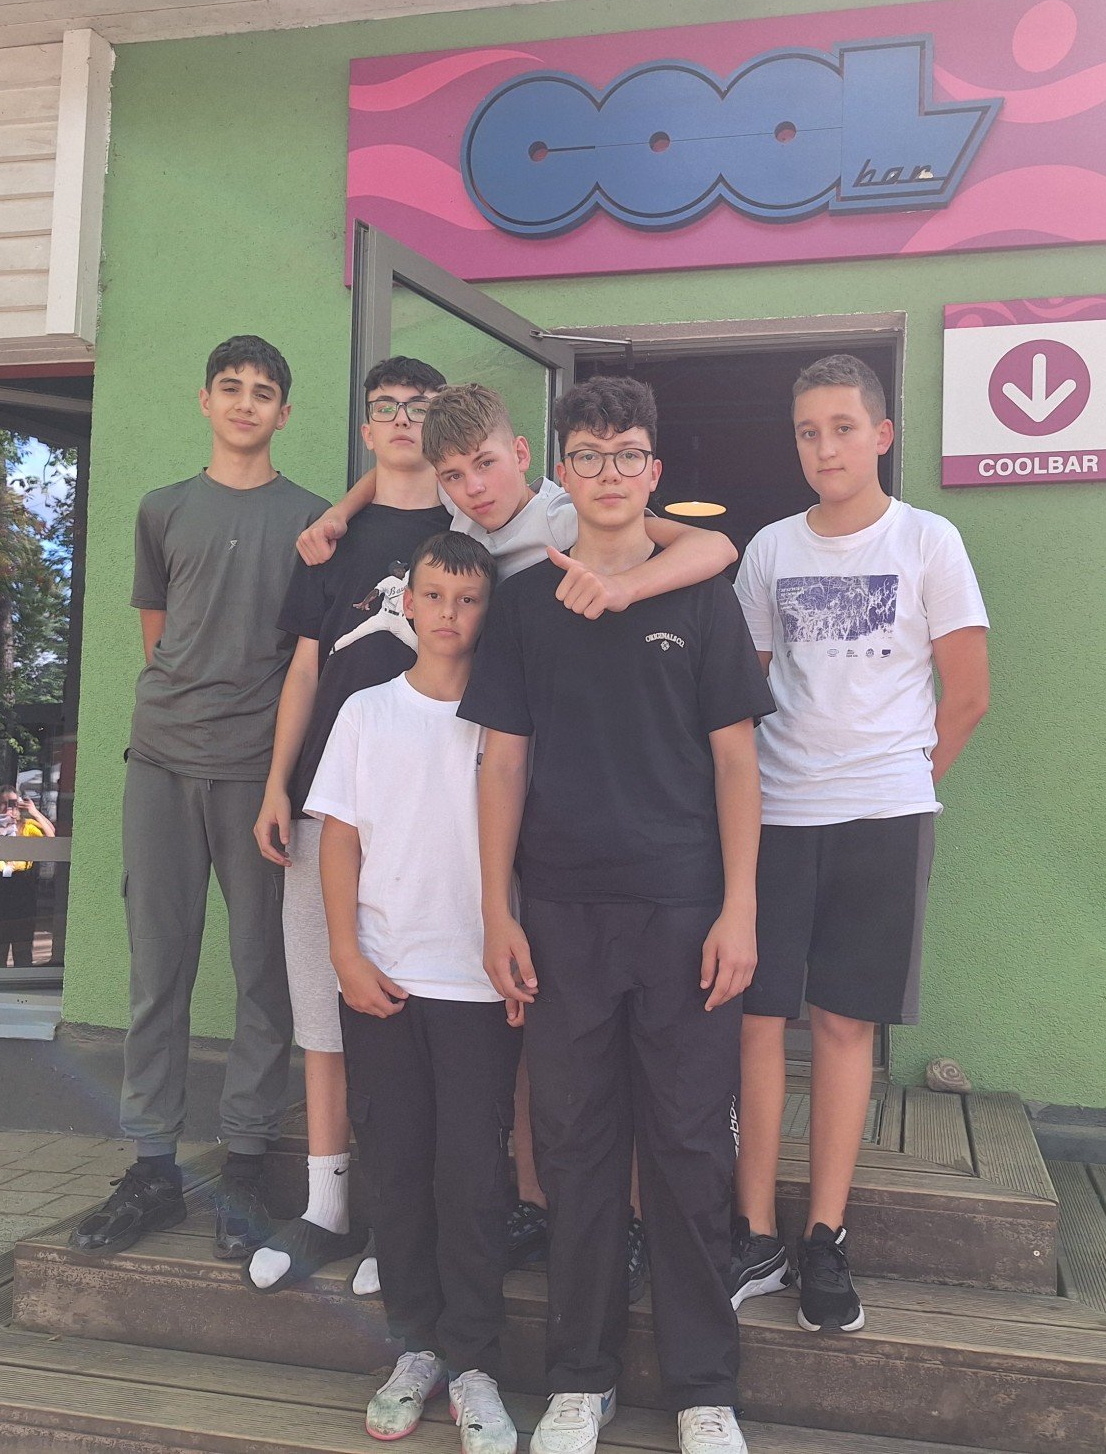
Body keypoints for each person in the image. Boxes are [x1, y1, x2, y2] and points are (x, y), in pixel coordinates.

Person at [299, 380, 740, 1297]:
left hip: (599, 825)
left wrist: (622, 586)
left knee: (623, 1078)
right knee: (553, 1062)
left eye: (487, 466)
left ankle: (623, 1226)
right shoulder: (457, 539)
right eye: (456, 475)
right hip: (491, 814)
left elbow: (715, 546)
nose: (475, 487)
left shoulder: (570, 514)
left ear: (530, 460)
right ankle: (542, 1212)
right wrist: (340, 510)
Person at [462, 376, 773, 1454]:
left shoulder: (700, 599)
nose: (607, 473)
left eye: (626, 454)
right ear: (563, 471)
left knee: (687, 1150)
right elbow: (503, 764)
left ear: (653, 471)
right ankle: (580, 1379)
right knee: (576, 1148)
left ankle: (703, 1390)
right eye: (588, 456)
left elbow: (737, 762)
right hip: (559, 915)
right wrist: (497, 909)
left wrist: (740, 907)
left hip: (685, 914)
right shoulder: (520, 607)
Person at [728, 353, 990, 1334]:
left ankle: (824, 1238)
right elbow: (742, 693)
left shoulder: (928, 540)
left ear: (880, 434)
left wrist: (899, 788)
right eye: (808, 432)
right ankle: (753, 1232)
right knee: (757, 1022)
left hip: (883, 818)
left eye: (842, 427)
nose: (824, 447)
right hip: (776, 816)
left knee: (844, 1027)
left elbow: (968, 695)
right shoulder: (769, 549)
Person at [70, 334, 328, 1263]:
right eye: (231, 387)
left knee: (264, 971)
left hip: (259, 775)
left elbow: (307, 659)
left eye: (264, 391)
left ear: (285, 413)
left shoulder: (313, 520)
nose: (246, 402)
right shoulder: (162, 509)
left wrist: (274, 772)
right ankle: (152, 1168)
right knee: (158, 967)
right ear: (206, 400)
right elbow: (160, 635)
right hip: (162, 763)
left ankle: (246, 1164)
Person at [282, 530, 520, 1454]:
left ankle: (476, 1364)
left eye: (468, 599)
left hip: (476, 984)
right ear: (406, 603)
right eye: (434, 596)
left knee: (472, 1176)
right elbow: (338, 837)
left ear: (486, 610)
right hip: (382, 975)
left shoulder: (507, 713)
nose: (449, 614)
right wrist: (344, 952)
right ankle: (416, 1348)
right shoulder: (366, 710)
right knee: (399, 1166)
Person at [249, 355, 453, 1286]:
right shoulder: (328, 542)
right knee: (322, 1009)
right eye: (386, 408)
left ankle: (402, 1216)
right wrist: (276, 784)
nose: (403, 420)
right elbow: (303, 670)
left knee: (418, 1010)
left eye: (420, 407)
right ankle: (326, 1207)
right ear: (366, 427)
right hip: (327, 804)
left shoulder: (470, 528)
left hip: (433, 814)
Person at [0, 786, 57, 968]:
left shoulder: (27, 826)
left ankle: (22, 977)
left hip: (22, 883)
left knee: (23, 941)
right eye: (2, 804)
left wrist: (34, 812)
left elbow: (51, 838)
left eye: (12, 803)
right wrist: (1, 826)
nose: (8, 808)